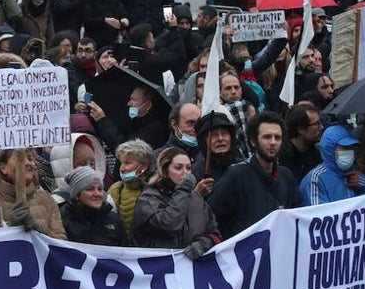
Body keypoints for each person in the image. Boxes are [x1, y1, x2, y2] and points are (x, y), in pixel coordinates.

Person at [207, 112, 301, 240]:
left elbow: (298, 217)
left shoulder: (286, 176)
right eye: (267, 137)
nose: (273, 142)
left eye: (277, 137)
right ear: (253, 141)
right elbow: (210, 217)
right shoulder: (236, 175)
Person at [131, 147, 220, 256]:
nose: (185, 173)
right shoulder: (148, 198)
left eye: (188, 168)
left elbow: (214, 235)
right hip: (159, 268)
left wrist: (203, 244)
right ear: (164, 170)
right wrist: (182, 191)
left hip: (192, 269)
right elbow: (169, 224)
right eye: (178, 168)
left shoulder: (196, 199)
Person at [0, 149, 67, 239]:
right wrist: (10, 228)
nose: (28, 163)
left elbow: (61, 244)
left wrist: (38, 229)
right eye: (19, 159)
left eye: (30, 159)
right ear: (3, 168)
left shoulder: (47, 198)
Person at [300, 125, 365, 205]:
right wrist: (357, 203)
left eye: (352, 147)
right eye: (345, 148)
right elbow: (319, 214)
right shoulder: (316, 179)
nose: (350, 151)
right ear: (330, 149)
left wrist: (363, 184)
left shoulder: (355, 175)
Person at [59, 167, 127, 246]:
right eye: (90, 189)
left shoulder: (113, 219)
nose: (97, 194)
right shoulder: (63, 220)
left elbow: (126, 251)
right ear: (77, 195)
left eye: (100, 189)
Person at [106, 138, 153, 231]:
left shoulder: (155, 190)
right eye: (121, 163)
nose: (122, 169)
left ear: (143, 166)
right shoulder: (115, 189)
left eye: (127, 163)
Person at [279, 103, 323, 182]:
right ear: (301, 129)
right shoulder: (281, 158)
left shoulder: (317, 153)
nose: (321, 127)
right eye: (317, 124)